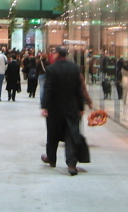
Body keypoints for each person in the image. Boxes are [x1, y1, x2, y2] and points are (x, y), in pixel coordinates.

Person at [41, 46, 85, 176]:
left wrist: (45, 107)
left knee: (52, 133)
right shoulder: (75, 68)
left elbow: (48, 89)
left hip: (55, 108)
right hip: (71, 107)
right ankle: (71, 164)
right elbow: (79, 90)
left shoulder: (51, 69)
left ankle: (51, 159)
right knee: (71, 134)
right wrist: (81, 107)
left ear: (57, 54)